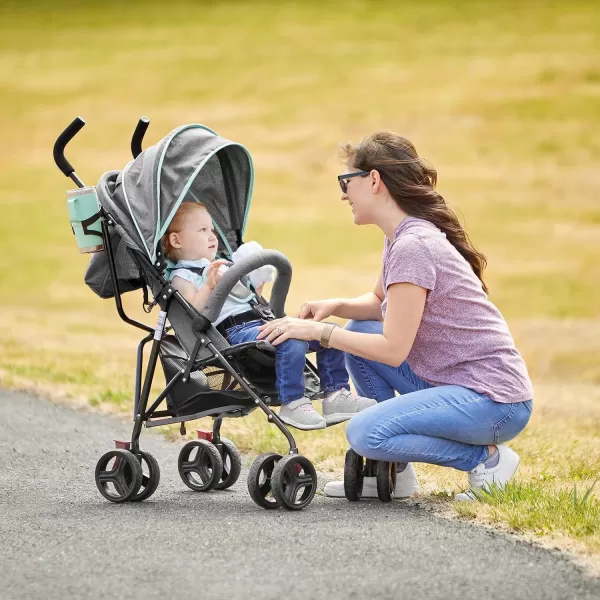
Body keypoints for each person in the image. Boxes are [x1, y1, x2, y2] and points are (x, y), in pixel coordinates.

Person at [257, 132, 533, 500]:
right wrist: (335, 306)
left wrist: (320, 332)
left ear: (373, 180)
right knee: (359, 332)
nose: (342, 194)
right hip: (457, 385)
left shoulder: (413, 245)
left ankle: (487, 459)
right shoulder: (400, 237)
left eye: (345, 182)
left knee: (364, 433)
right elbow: (379, 303)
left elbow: (393, 349)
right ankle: (395, 474)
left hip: (494, 402)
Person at [161, 201, 376, 431]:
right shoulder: (182, 276)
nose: (212, 236)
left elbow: (244, 299)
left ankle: (335, 395)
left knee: (329, 333)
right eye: (203, 230)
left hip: (259, 321)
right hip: (233, 332)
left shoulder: (221, 265)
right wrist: (209, 287)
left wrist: (256, 288)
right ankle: (292, 402)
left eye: (212, 229)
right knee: (290, 337)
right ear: (177, 240)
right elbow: (191, 314)